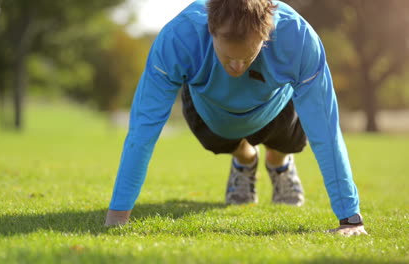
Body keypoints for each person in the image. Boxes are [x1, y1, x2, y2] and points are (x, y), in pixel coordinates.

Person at [105, 0, 367, 236]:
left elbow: (325, 128)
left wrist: (350, 219)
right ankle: (246, 159)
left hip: (276, 109)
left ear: (266, 34)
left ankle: (280, 162)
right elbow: (143, 131)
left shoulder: (298, 37)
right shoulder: (178, 38)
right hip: (212, 113)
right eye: (228, 57)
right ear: (211, 29)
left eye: (247, 56)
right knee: (230, 144)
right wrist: (118, 215)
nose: (237, 67)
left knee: (286, 145)